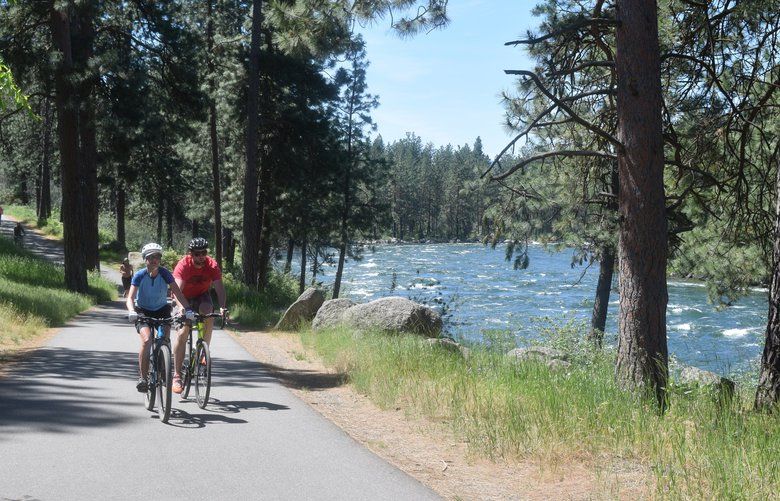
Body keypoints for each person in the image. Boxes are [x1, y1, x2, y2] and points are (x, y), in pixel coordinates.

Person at [126, 242, 194, 393]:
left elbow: (177, 293)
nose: (154, 260)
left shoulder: (165, 274)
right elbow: (130, 297)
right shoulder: (139, 275)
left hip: (162, 310)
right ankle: (143, 378)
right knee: (146, 340)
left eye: (157, 257)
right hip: (142, 311)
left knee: (164, 340)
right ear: (145, 259)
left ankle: (163, 369)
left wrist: (187, 309)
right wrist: (132, 311)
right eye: (151, 257)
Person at [172, 237, 228, 394]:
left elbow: (219, 289)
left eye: (204, 252)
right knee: (183, 332)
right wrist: (183, 309)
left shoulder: (212, 265)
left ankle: (203, 351)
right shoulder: (184, 265)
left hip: (201, 296)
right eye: (197, 253)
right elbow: (177, 291)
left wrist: (223, 307)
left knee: (209, 312)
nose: (201, 256)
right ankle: (176, 375)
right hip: (182, 297)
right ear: (191, 254)